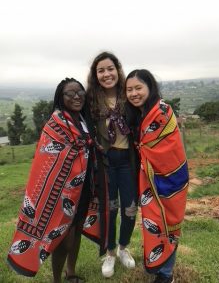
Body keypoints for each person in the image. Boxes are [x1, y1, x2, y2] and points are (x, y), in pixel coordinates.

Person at [7, 78, 108, 283]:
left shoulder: (83, 119)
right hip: (62, 193)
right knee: (63, 238)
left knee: (77, 229)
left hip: (84, 187)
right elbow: (49, 157)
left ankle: (71, 273)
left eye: (79, 92)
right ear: (61, 99)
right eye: (70, 94)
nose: (76, 96)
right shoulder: (56, 122)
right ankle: (57, 280)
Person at [125, 69, 189, 283]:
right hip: (149, 182)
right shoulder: (137, 114)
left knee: (168, 225)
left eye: (138, 88)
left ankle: (166, 274)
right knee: (153, 224)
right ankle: (160, 267)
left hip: (169, 180)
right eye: (129, 90)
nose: (134, 93)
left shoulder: (162, 111)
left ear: (150, 87)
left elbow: (168, 149)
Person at [86, 52, 138, 278]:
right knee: (110, 209)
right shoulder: (90, 100)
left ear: (117, 70)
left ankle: (123, 247)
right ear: (95, 75)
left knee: (130, 208)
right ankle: (109, 253)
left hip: (128, 161)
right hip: (106, 162)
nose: (106, 74)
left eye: (110, 68)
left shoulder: (129, 95)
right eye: (101, 70)